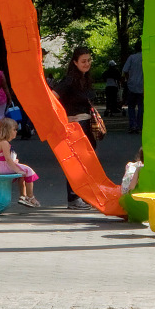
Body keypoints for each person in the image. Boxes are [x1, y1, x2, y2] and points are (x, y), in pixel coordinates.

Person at [55, 46, 104, 210]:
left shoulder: (86, 78)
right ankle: (74, 198)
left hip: (87, 126)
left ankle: (83, 196)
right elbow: (53, 98)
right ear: (75, 62)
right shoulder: (69, 80)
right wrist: (65, 118)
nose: (87, 63)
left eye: (89, 60)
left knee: (88, 162)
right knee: (77, 162)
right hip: (76, 126)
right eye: (83, 61)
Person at [0, 117, 40, 208]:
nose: (16, 131)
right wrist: (17, 170)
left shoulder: (0, 142)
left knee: (23, 174)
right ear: (7, 131)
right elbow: (8, 159)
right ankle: (30, 197)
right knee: (28, 171)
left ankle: (23, 196)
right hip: (3, 167)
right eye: (14, 130)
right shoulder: (4, 143)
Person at [122, 47, 144, 133]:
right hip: (143, 86)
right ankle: (140, 125)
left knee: (131, 106)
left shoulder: (132, 57)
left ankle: (133, 125)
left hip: (132, 85)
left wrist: (128, 79)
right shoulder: (146, 58)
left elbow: (125, 70)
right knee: (141, 107)